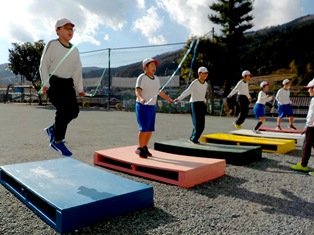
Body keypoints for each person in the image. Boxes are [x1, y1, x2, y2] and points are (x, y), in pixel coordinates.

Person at [39, 18, 85, 157]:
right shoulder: (52, 44)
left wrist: (80, 89)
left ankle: (53, 129)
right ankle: (58, 140)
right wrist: (45, 83)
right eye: (66, 28)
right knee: (63, 109)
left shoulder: (75, 50)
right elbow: (43, 65)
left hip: (68, 84)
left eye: (71, 29)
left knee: (74, 111)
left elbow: (77, 71)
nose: (70, 31)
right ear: (57, 30)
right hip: (54, 82)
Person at [135, 58, 174, 158]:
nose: (154, 67)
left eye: (155, 66)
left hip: (152, 106)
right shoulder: (142, 77)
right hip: (142, 106)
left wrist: (168, 99)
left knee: (149, 129)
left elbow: (159, 92)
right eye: (151, 65)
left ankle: (145, 147)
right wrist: (141, 98)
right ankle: (140, 148)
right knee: (143, 129)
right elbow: (137, 91)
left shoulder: (156, 79)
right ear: (145, 67)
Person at [174, 66, 209, 144]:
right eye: (204, 73)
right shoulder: (195, 83)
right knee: (197, 124)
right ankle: (193, 139)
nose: (205, 75)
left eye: (206, 73)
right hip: (194, 104)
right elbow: (187, 91)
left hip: (202, 104)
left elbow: (203, 95)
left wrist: (204, 101)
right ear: (199, 74)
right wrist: (179, 98)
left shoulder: (206, 84)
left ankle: (193, 138)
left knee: (202, 126)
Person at [290, 78, 314, 173]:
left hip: (312, 127)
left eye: (309, 88)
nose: (308, 90)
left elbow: (311, 115)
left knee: (306, 145)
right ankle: (303, 164)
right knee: (308, 145)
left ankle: (303, 165)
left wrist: (306, 126)